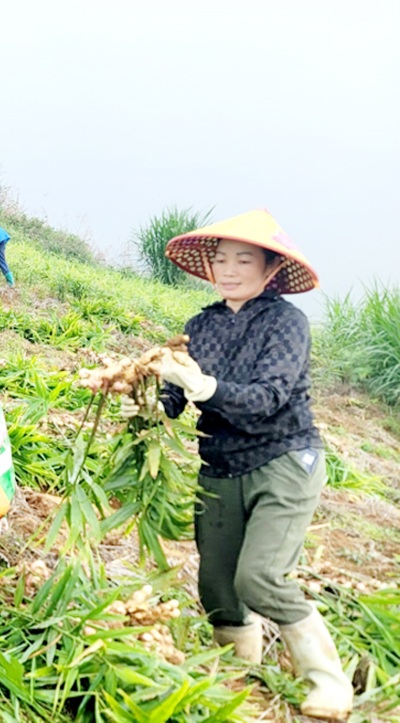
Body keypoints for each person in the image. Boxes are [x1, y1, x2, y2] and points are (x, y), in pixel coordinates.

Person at [122, 210, 352, 719]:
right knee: (219, 589)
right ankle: (239, 674)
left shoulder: (286, 323)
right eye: (221, 259)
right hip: (221, 465)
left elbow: (267, 398)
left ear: (271, 269)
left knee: (261, 578)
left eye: (244, 260)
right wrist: (149, 403)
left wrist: (206, 387)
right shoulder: (200, 325)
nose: (229, 269)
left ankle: (328, 682)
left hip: (285, 459)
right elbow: (176, 398)